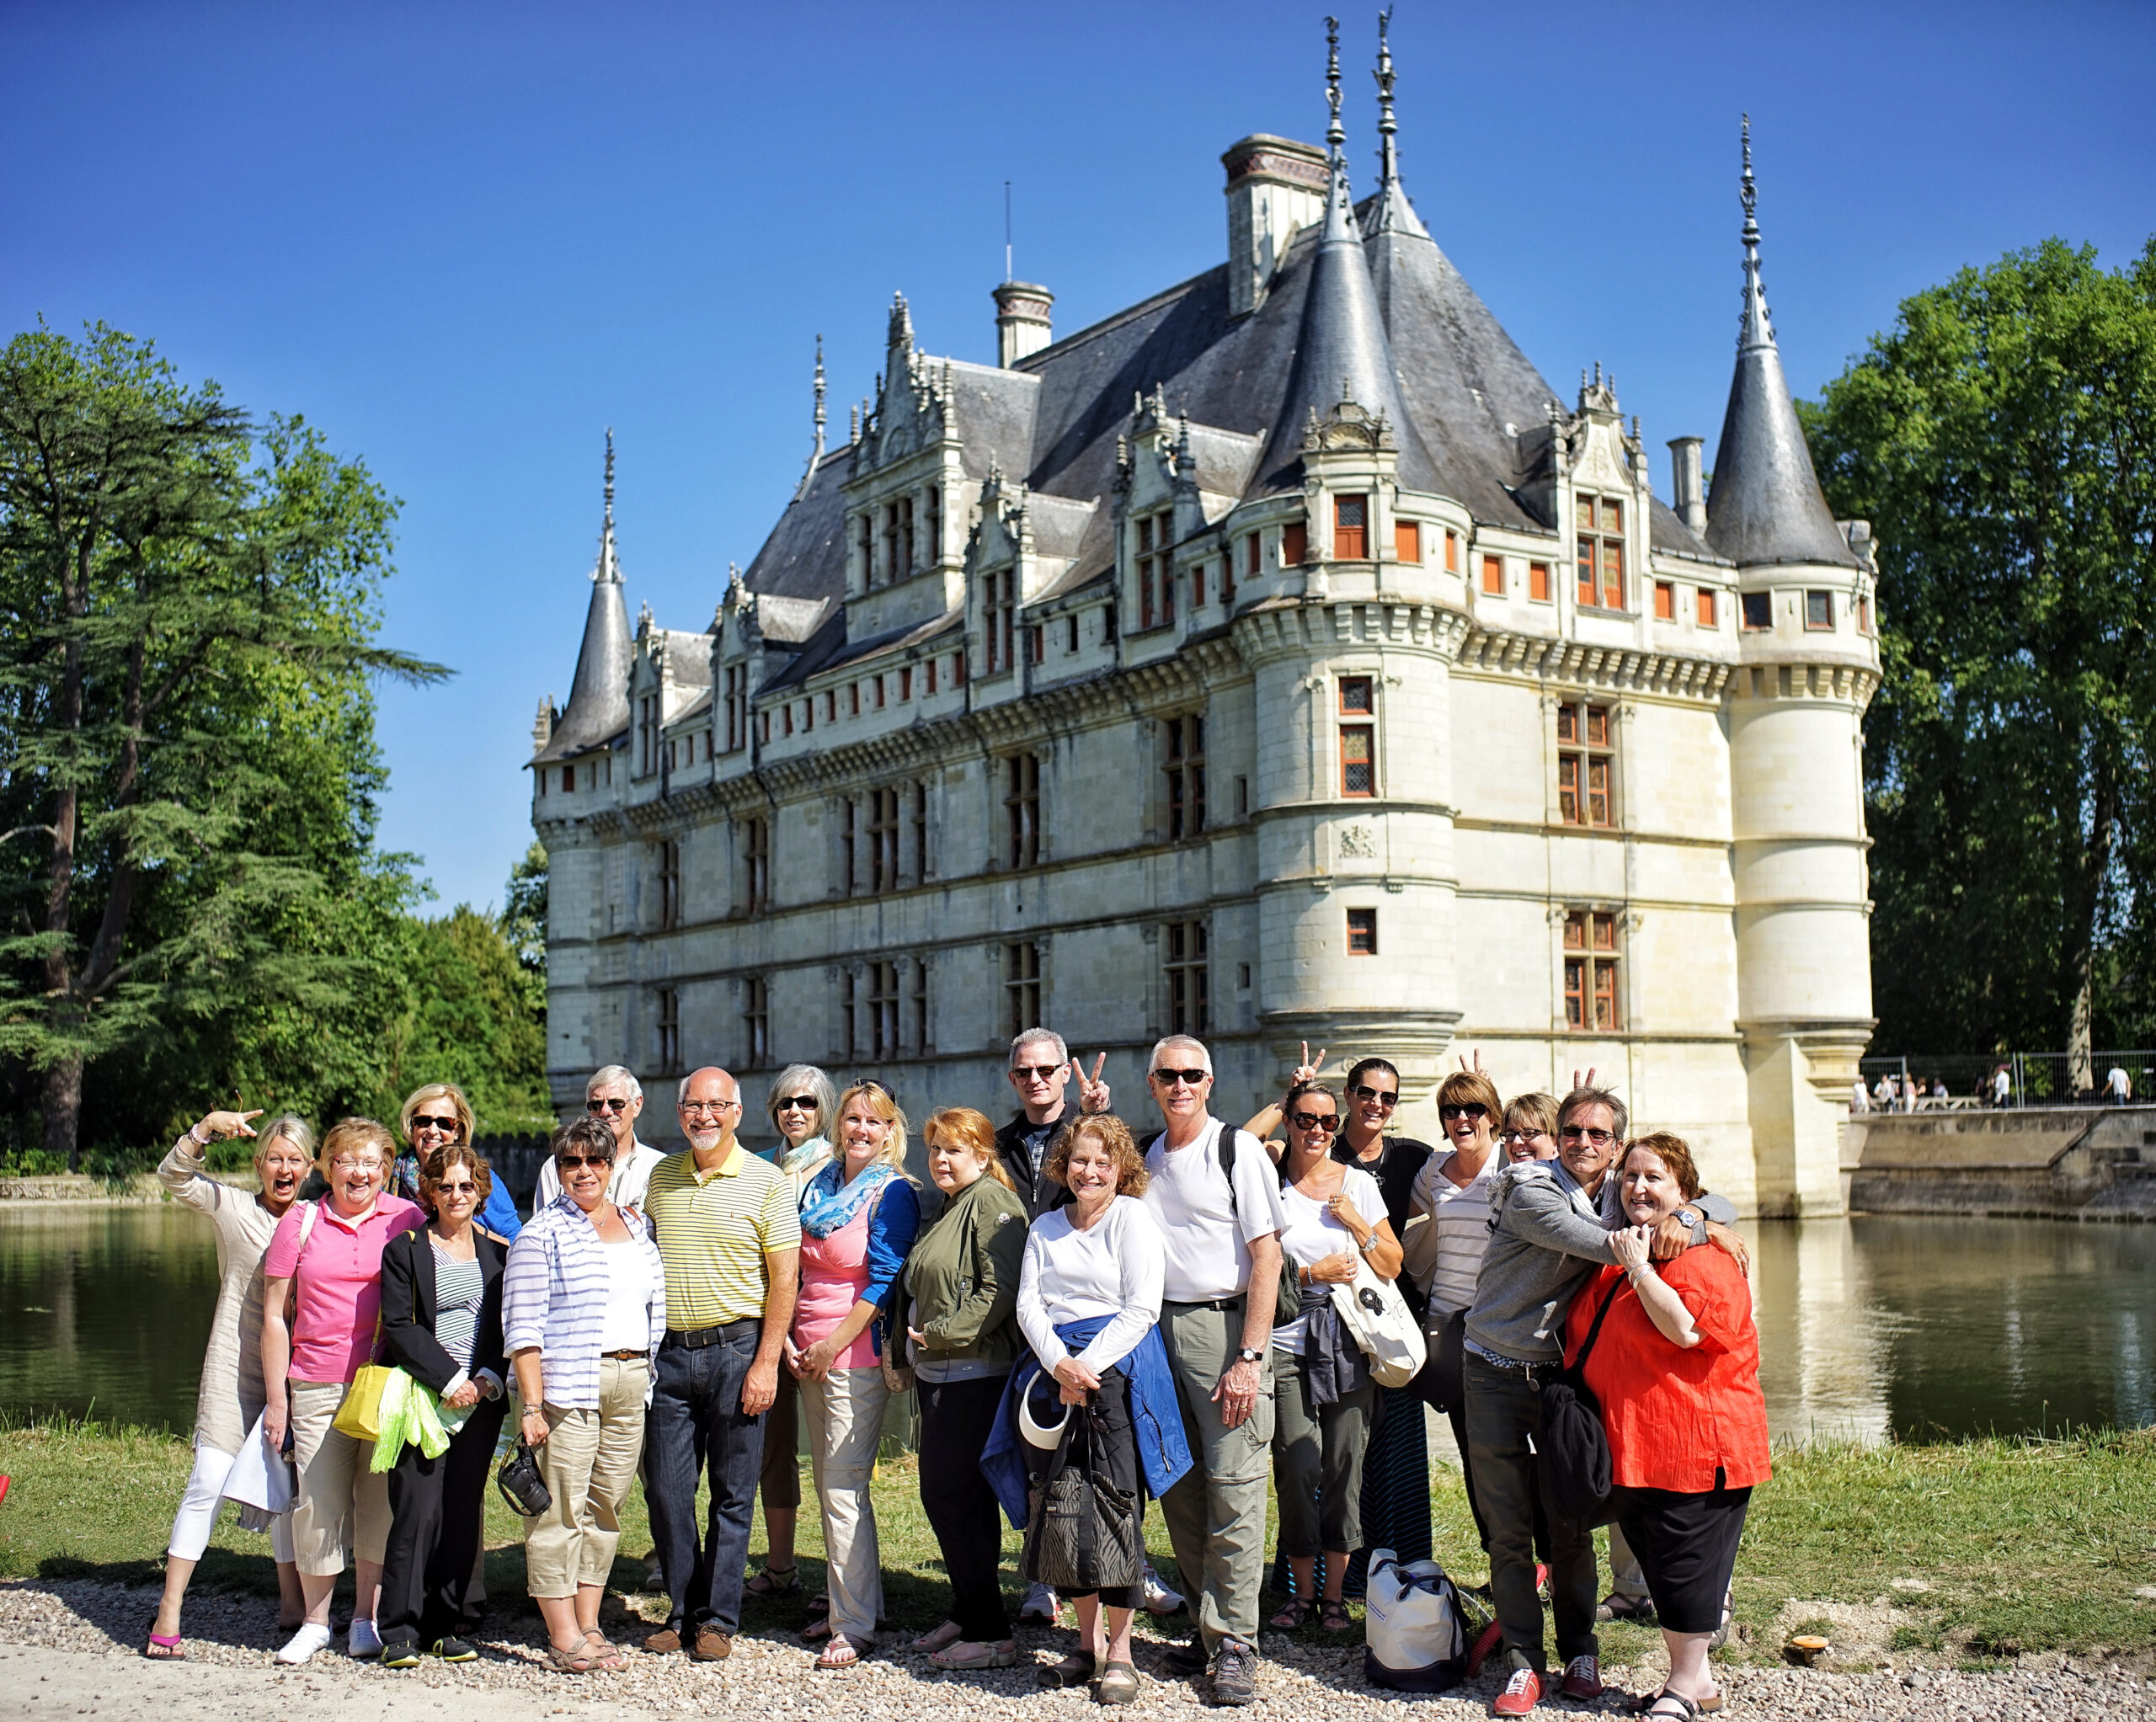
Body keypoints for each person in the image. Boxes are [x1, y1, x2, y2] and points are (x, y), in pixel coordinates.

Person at [1461, 1086, 1732, 1715]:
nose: (1583, 1142)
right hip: (1494, 1372)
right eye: (1572, 1131)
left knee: (1572, 1516)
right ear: (1556, 1138)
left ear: (1615, 1145)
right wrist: (1693, 1225)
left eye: (1598, 1134)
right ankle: (1525, 1661)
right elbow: (1608, 1245)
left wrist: (1695, 1216)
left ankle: (1581, 1651)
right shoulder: (1531, 1191)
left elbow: (1717, 1199)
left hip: (1562, 1378)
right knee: (1508, 1528)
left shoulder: (1618, 1188)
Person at [1567, 1134, 1771, 1721]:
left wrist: (1639, 1267)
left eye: (1654, 1177)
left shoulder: (1705, 1259)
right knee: (1662, 1562)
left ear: (1685, 1191)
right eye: (1630, 1176)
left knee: (1685, 1564)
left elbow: (1685, 1330)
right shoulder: (1631, 1245)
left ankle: (1681, 1687)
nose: (1638, 1187)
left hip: (1697, 1445)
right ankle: (1698, 1681)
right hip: (1641, 1444)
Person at [1006, 1113, 1187, 1703]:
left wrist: (1086, 1367)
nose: (1090, 1171)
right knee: (1062, 1503)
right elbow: (1029, 1304)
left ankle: (1122, 1652)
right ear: (1065, 1165)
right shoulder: (1046, 1227)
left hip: (1116, 1374)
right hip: (1053, 1373)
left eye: (1102, 1162)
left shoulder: (1132, 1218)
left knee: (1114, 1507)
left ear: (1120, 1169)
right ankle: (1085, 1644)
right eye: (1080, 1160)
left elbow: (1143, 1307)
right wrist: (1060, 1364)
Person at [1141, 1035, 1285, 1707]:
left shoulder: (1238, 1150)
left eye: (1192, 1074)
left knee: (1234, 1487)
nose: (1180, 1085)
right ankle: (1208, 1631)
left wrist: (1249, 1357)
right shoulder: (1149, 1156)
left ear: (1210, 1081)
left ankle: (1235, 1643)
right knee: (1181, 1487)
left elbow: (1268, 1257)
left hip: (1225, 1328)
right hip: (1159, 1329)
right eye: (1168, 1074)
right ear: (1153, 1083)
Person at [640, 1067, 801, 1663]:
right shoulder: (661, 1177)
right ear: (680, 1112)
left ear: (737, 1112)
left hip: (738, 1351)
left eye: (716, 1105)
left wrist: (766, 1363)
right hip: (670, 1355)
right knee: (667, 1491)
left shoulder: (766, 1182)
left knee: (733, 1494)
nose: (703, 1116)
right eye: (693, 1105)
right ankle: (682, 1610)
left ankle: (718, 1619)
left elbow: (785, 1279)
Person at [146, 1108, 312, 1660]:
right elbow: (174, 1177)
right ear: (259, 1163)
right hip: (233, 1366)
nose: (284, 1169)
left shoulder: (315, 1219)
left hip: (292, 1372)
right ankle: (169, 1608)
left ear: (310, 1167)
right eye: (275, 1159)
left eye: (295, 1159)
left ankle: (293, 1603)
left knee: (288, 1488)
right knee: (208, 1479)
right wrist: (204, 1130)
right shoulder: (235, 1207)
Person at [260, 1117, 428, 1665]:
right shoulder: (301, 1221)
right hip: (316, 1380)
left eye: (371, 1162)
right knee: (318, 1501)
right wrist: (279, 1397)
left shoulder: (405, 1218)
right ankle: (315, 1622)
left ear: (386, 1169)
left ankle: (365, 1619)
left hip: (385, 1382)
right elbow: (274, 1316)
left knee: (378, 1504)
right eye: (347, 1161)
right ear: (327, 1167)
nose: (359, 1173)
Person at [504, 1115, 666, 1673]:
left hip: (631, 1379)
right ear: (557, 1168)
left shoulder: (636, 1226)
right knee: (559, 1512)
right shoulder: (540, 1234)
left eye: (595, 1159)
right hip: (567, 1386)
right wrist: (531, 1406)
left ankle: (589, 1621)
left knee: (605, 1507)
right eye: (571, 1161)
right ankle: (562, 1634)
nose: (584, 1170)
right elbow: (522, 1328)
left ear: (611, 1164)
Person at [786, 1080, 921, 1669]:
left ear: (891, 1131)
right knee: (829, 1486)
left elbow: (883, 1280)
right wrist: (792, 1341)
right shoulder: (820, 1184)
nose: (861, 1129)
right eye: (853, 1118)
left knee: (843, 1489)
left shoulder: (893, 1193)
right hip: (808, 1352)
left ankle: (853, 1625)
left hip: (852, 1356)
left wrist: (830, 1345)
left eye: (874, 1120)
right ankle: (857, 1602)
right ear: (839, 1125)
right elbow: (796, 1268)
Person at [897, 1106, 1029, 1670]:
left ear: (982, 1153)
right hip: (942, 1372)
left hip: (973, 1374)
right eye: (935, 1149)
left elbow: (999, 1290)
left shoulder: (994, 1204)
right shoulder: (954, 1205)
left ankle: (991, 1630)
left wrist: (940, 1334)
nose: (941, 1159)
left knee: (951, 1495)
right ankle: (969, 1609)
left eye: (954, 1149)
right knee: (959, 1498)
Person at [1265, 1081, 1400, 1633]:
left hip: (1346, 1342)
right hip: (1285, 1344)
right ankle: (1301, 1593)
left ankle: (1335, 1597)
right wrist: (1308, 1273)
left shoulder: (1357, 1185)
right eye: (1304, 1118)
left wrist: (1356, 1223)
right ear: (1288, 1122)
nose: (1317, 1130)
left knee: (1344, 1466)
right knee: (1297, 1467)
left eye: (1327, 1121)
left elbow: (1391, 1262)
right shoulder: (1267, 1181)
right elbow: (1253, 1265)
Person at [375, 1142, 511, 1667]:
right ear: (430, 1192)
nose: (457, 1194)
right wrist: (450, 1380)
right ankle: (399, 1630)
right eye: (446, 1186)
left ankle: (442, 1625)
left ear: (481, 1192)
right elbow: (400, 1326)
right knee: (417, 1513)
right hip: (422, 1397)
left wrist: (484, 1380)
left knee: (460, 1513)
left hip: (480, 1402)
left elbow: (506, 1328)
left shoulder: (499, 1253)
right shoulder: (406, 1249)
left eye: (467, 1185)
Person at [1407, 1070, 1511, 1557]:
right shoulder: (1434, 1169)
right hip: (1449, 1331)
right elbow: (1396, 1216)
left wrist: (1699, 1216)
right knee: (1473, 1455)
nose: (1462, 1119)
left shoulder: (1512, 1164)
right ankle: (1500, 1560)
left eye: (1474, 1109)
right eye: (1451, 1111)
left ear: (1494, 1117)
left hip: (1502, 1331)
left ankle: (1542, 1563)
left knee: (1514, 1455)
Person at [745, 1062, 837, 1602]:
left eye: (806, 1102)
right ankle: (780, 1566)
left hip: (824, 1330)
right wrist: (774, 1333)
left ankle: (841, 1579)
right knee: (774, 1450)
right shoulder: (758, 1168)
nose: (795, 1111)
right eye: (785, 1102)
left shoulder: (842, 1168)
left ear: (824, 1109)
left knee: (833, 1457)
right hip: (769, 1328)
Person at [995, 1027, 1113, 1218]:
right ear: (1013, 1080)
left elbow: (1120, 1171)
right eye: (1024, 1072)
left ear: (1065, 1073)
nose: (1034, 1080)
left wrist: (1099, 1114)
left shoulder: (1083, 1132)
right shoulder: (997, 1146)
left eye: (1045, 1070)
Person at [389, 1083, 521, 1241]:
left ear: (458, 1130)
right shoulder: (387, 1176)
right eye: (423, 1121)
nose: (433, 1130)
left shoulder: (478, 1178)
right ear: (412, 1126)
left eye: (444, 1123)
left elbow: (517, 1241)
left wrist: (473, 1232)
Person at [532, 1066, 667, 1213]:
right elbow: (543, 1224)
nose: (605, 1111)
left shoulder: (659, 1167)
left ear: (637, 1105)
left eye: (616, 1104)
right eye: (596, 1105)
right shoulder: (558, 1166)